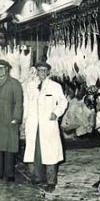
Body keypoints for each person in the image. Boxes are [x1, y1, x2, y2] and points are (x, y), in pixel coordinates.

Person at [23, 61, 68, 193]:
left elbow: (63, 102)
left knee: (50, 153)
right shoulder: (30, 86)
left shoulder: (55, 86)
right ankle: (37, 177)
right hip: (33, 124)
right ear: (36, 71)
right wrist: (25, 120)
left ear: (48, 72)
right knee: (35, 152)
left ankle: (51, 181)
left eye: (44, 70)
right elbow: (26, 103)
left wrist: (56, 113)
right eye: (39, 70)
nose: (42, 73)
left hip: (48, 124)